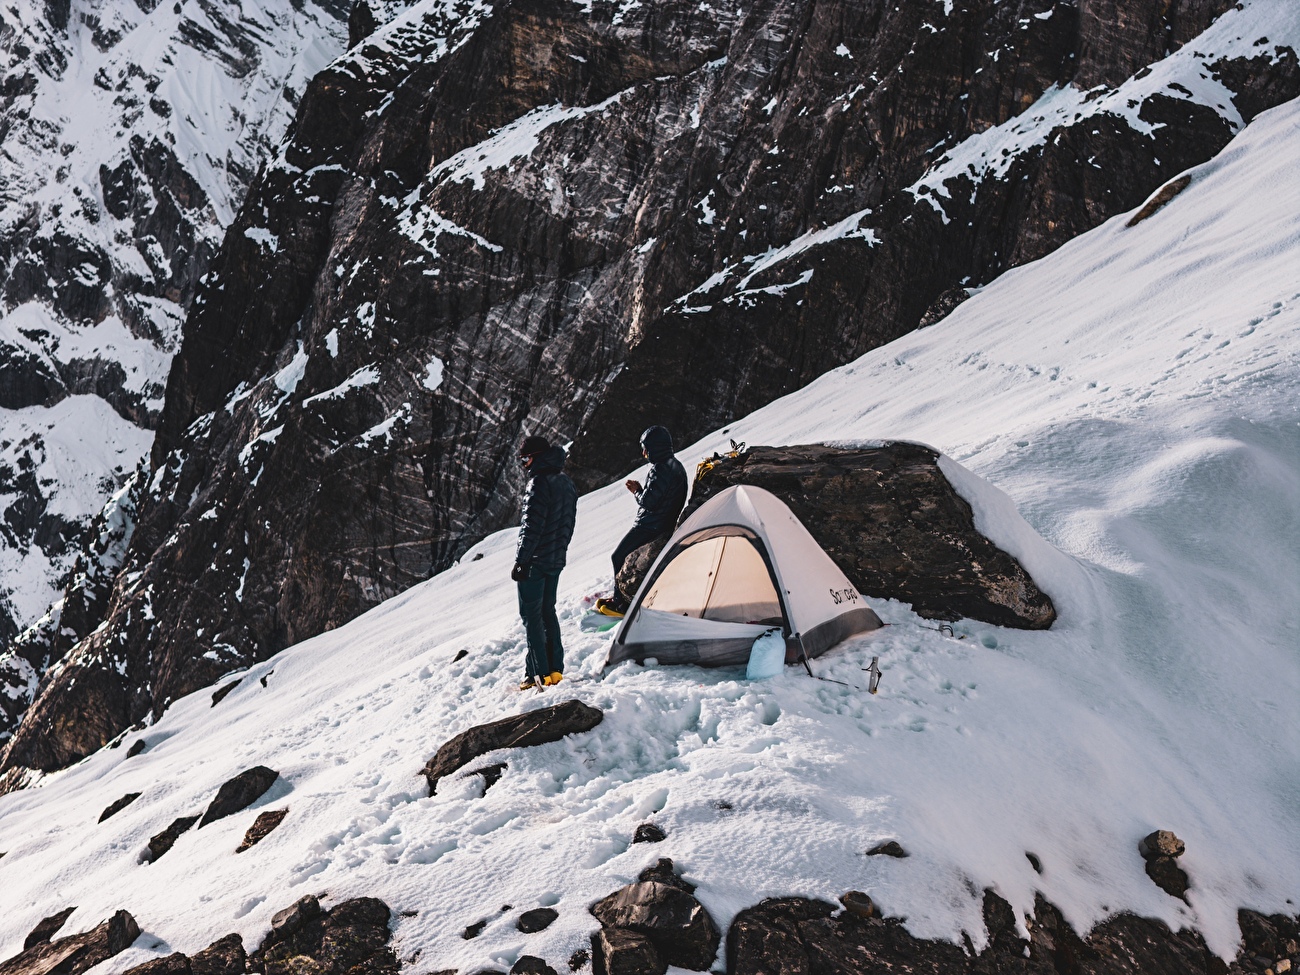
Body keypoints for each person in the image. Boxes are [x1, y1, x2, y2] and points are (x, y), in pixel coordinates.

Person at [597, 425, 688, 615]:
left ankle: (621, 604)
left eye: (646, 447)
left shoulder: (661, 469)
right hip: (661, 523)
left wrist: (637, 490)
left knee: (618, 556)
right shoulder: (673, 465)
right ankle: (620, 596)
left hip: (651, 525)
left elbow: (649, 502)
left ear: (654, 447)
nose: (643, 452)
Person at [513, 435, 578, 690]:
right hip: (555, 558)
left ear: (537, 456)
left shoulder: (538, 484)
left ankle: (537, 676)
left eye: (526, 459)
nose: (524, 464)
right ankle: (554, 671)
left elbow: (531, 528)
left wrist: (521, 561)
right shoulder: (566, 483)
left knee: (531, 616)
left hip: (535, 562)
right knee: (547, 612)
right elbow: (567, 524)